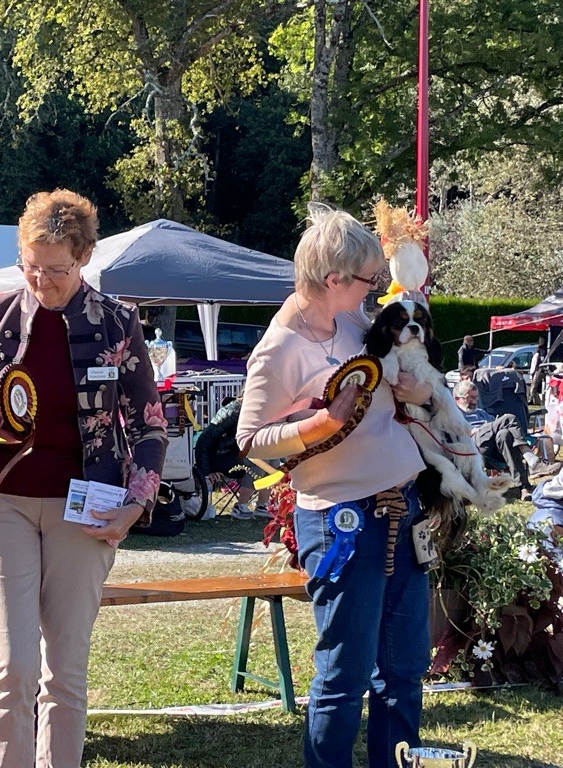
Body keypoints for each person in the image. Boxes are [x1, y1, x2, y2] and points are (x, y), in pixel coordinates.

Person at [0, 189, 167, 768]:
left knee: (66, 669)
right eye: (32, 266)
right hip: (3, 502)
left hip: (91, 506)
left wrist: (138, 501)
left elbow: (150, 423)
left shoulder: (119, 322)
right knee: (12, 666)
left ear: (84, 259)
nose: (42, 281)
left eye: (57, 269)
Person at [236, 206, 434, 768]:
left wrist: (417, 389)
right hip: (340, 518)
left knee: (403, 667)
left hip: (402, 506)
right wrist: (321, 423)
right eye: (369, 279)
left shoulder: (353, 324)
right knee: (345, 674)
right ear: (334, 281)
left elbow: (394, 387)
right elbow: (251, 441)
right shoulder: (278, 350)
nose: (374, 290)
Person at [453, 379, 559, 497]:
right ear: (457, 398)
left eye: (476, 397)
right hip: (473, 446)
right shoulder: (453, 414)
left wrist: (489, 427)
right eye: (470, 398)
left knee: (504, 434)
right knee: (509, 418)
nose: (474, 401)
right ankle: (532, 460)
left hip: (493, 448)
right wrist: (475, 430)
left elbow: (496, 426)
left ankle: (524, 487)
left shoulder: (481, 413)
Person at [194, 396, 269, 519]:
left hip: (238, 454)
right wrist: (207, 471)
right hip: (219, 456)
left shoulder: (262, 412)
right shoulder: (232, 411)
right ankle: (241, 506)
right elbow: (204, 441)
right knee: (260, 462)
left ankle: (263, 505)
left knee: (272, 459)